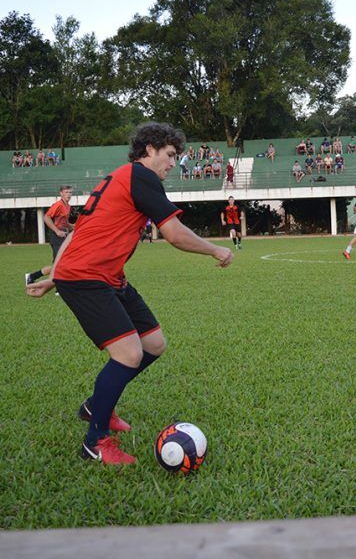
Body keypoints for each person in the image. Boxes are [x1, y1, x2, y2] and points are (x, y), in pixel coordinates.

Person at [25, 122, 233, 465]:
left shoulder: (120, 178)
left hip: (106, 276)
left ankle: (96, 406)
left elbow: (77, 234)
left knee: (154, 344)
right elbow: (174, 234)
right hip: (87, 277)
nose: (173, 164)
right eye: (169, 155)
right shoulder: (141, 176)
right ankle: (95, 442)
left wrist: (55, 277)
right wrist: (215, 250)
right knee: (129, 354)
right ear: (149, 149)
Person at [26, 184, 75, 286]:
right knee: (60, 263)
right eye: (66, 192)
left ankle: (32, 276)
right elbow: (46, 217)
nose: (69, 194)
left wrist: (76, 226)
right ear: (61, 193)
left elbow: (65, 223)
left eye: (70, 192)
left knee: (58, 263)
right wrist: (57, 231)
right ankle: (58, 287)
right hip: (56, 236)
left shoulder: (67, 206)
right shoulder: (58, 205)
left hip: (63, 235)